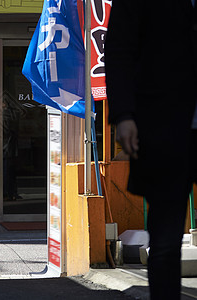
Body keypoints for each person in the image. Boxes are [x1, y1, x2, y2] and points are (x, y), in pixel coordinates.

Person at [105, 1, 197, 299]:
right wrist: (124, 115)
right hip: (162, 126)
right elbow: (119, 50)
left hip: (164, 124)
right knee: (166, 241)